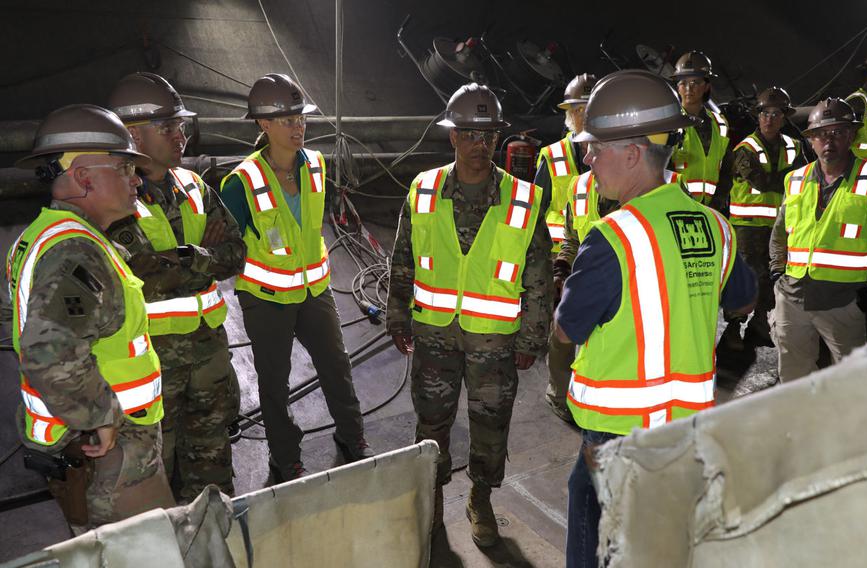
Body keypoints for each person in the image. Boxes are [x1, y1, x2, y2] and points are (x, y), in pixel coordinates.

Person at [553, 70, 757, 567]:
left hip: (615, 437)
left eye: (596, 148)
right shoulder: (716, 227)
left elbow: (565, 329)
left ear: (631, 152)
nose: (588, 159)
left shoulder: (611, 238)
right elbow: (744, 303)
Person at [386, 83, 553, 547]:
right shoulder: (423, 190)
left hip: (494, 342)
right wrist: (397, 314)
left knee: (490, 422)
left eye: (489, 135)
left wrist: (531, 339)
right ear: (453, 137)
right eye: (470, 135)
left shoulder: (523, 199)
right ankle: (431, 499)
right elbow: (404, 257)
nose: (481, 145)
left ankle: (480, 498)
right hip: (434, 335)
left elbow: (539, 275)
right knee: (432, 421)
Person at [7, 104, 175, 527]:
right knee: (151, 550)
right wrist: (99, 416)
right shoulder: (75, 252)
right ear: (83, 178)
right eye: (123, 167)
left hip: (78, 443)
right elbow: (47, 352)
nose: (136, 178)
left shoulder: (39, 237)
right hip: (112, 453)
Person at [220, 73, 373, 483]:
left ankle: (352, 437)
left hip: (314, 291)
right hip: (266, 298)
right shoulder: (240, 184)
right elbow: (222, 249)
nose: (297, 127)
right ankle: (285, 458)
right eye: (286, 121)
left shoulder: (318, 166)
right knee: (274, 383)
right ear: (263, 125)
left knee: (336, 365)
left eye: (300, 118)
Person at [104, 72, 244, 502]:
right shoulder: (114, 198)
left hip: (208, 357)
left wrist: (183, 258)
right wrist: (201, 254)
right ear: (133, 135)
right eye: (168, 127)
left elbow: (235, 253)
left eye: (180, 126)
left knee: (213, 474)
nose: (180, 135)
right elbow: (139, 272)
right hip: (154, 367)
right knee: (154, 482)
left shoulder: (194, 186)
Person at [770, 98, 867, 382]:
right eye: (821, 134)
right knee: (793, 378)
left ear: (851, 135)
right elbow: (779, 233)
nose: (829, 140)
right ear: (811, 141)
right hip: (792, 299)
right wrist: (777, 274)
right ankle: (803, 425)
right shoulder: (795, 180)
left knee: (850, 380)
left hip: (844, 301)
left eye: (838, 132)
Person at [535, 73, 598, 422]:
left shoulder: (611, 151)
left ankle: (590, 388)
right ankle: (559, 392)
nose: (584, 114)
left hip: (598, 260)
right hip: (560, 259)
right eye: (579, 108)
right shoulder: (553, 157)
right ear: (569, 114)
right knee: (561, 332)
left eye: (591, 107)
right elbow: (534, 212)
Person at [722, 87, 804, 350]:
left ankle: (759, 322)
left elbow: (802, 181)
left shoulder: (794, 146)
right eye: (764, 114)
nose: (769, 119)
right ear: (758, 117)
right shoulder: (746, 148)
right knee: (745, 276)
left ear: (784, 117)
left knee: (772, 275)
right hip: (747, 225)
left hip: (778, 224)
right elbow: (761, 181)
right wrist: (789, 178)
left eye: (775, 114)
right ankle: (734, 326)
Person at [669, 51, 732, 207]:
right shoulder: (669, 122)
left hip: (711, 207)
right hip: (676, 203)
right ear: (677, 87)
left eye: (695, 82)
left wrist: (718, 201)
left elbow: (727, 167)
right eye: (683, 83)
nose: (689, 88)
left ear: (706, 86)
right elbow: (661, 166)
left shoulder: (720, 123)